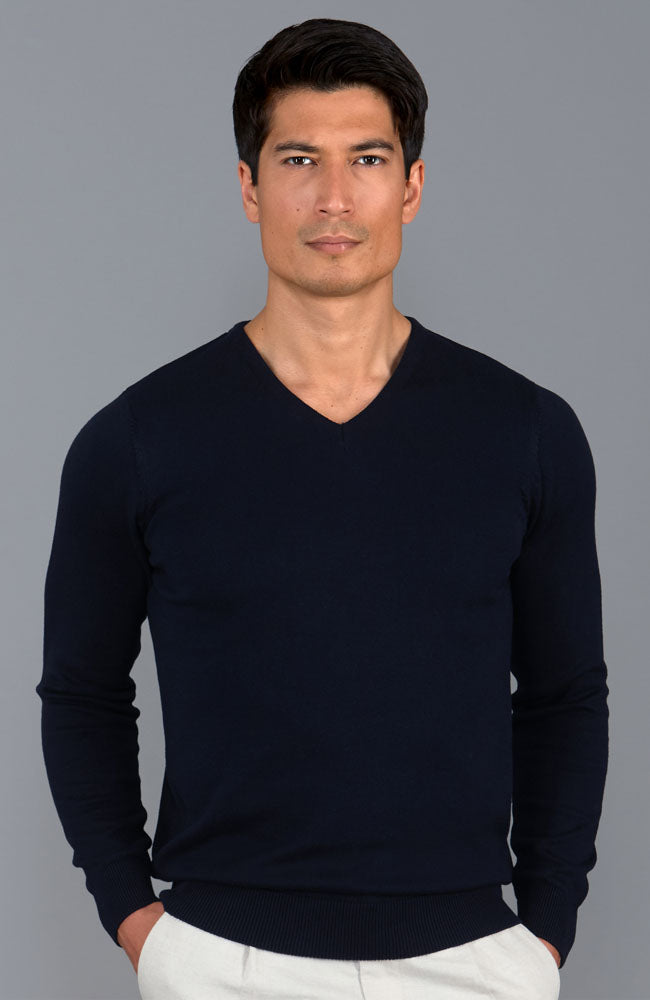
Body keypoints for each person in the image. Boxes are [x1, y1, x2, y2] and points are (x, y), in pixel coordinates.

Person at [35, 17, 609, 1000]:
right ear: (249, 186)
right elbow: (82, 692)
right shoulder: (137, 440)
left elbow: (564, 695)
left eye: (367, 159)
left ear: (411, 187)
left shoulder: (525, 432)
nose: (334, 197)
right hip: (221, 960)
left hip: (473, 961)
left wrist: (545, 926)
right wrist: (136, 918)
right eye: (298, 159)